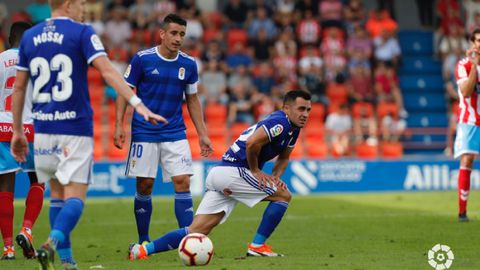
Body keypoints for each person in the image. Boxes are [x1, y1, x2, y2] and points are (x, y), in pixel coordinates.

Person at [10, 0, 166, 269]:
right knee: (76, 198)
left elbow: (19, 88)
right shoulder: (82, 32)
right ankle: (51, 243)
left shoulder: (30, 37)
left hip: (43, 130)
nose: (84, 8)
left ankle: (68, 263)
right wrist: (138, 105)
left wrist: (16, 131)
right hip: (74, 129)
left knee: (57, 196)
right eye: (81, 3)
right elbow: (106, 70)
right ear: (69, 4)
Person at [128, 90, 312, 260]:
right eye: (301, 109)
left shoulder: (293, 130)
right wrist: (255, 170)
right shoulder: (280, 122)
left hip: (220, 173)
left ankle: (142, 250)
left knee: (196, 231)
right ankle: (257, 246)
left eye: (308, 110)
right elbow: (252, 143)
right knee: (283, 196)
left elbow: (284, 158)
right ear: (286, 108)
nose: (305, 114)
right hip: (235, 172)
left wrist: (276, 177)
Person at [114, 13, 213, 245]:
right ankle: (143, 241)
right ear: (162, 34)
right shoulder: (142, 59)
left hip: (175, 131)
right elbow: (124, 91)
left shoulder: (189, 64)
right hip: (144, 131)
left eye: (182, 34)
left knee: (183, 182)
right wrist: (119, 124)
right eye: (174, 33)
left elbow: (192, 100)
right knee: (145, 185)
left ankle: (188, 241)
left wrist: (203, 134)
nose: (178, 38)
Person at [0, 21, 44, 261]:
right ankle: (26, 229)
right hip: (32, 129)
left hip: (3, 128)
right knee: (38, 181)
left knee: (4, 188)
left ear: (9, 39)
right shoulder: (38, 65)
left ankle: (8, 248)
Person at [453, 28, 480, 222]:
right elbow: (467, 92)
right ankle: (462, 211)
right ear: (473, 43)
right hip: (469, 120)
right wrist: (475, 66)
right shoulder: (463, 65)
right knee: (468, 159)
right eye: (478, 40)